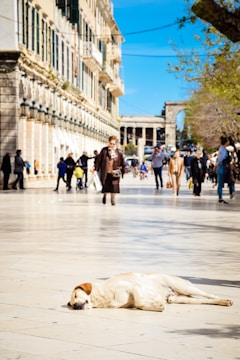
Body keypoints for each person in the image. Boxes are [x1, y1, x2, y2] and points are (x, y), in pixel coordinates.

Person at [95, 135, 125, 205]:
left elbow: (122, 162)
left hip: (115, 171)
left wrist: (123, 171)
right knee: (105, 186)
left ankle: (112, 200)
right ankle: (104, 195)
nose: (111, 145)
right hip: (106, 171)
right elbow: (99, 160)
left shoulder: (119, 152)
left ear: (116, 144)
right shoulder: (104, 150)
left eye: (113, 144)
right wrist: (96, 168)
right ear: (108, 143)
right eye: (110, 143)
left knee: (114, 187)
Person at [214, 136, 230, 204]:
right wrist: (216, 165)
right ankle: (220, 197)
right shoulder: (223, 149)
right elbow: (221, 159)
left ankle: (220, 196)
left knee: (221, 182)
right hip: (221, 167)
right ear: (226, 142)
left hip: (221, 166)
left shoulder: (221, 149)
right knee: (220, 182)